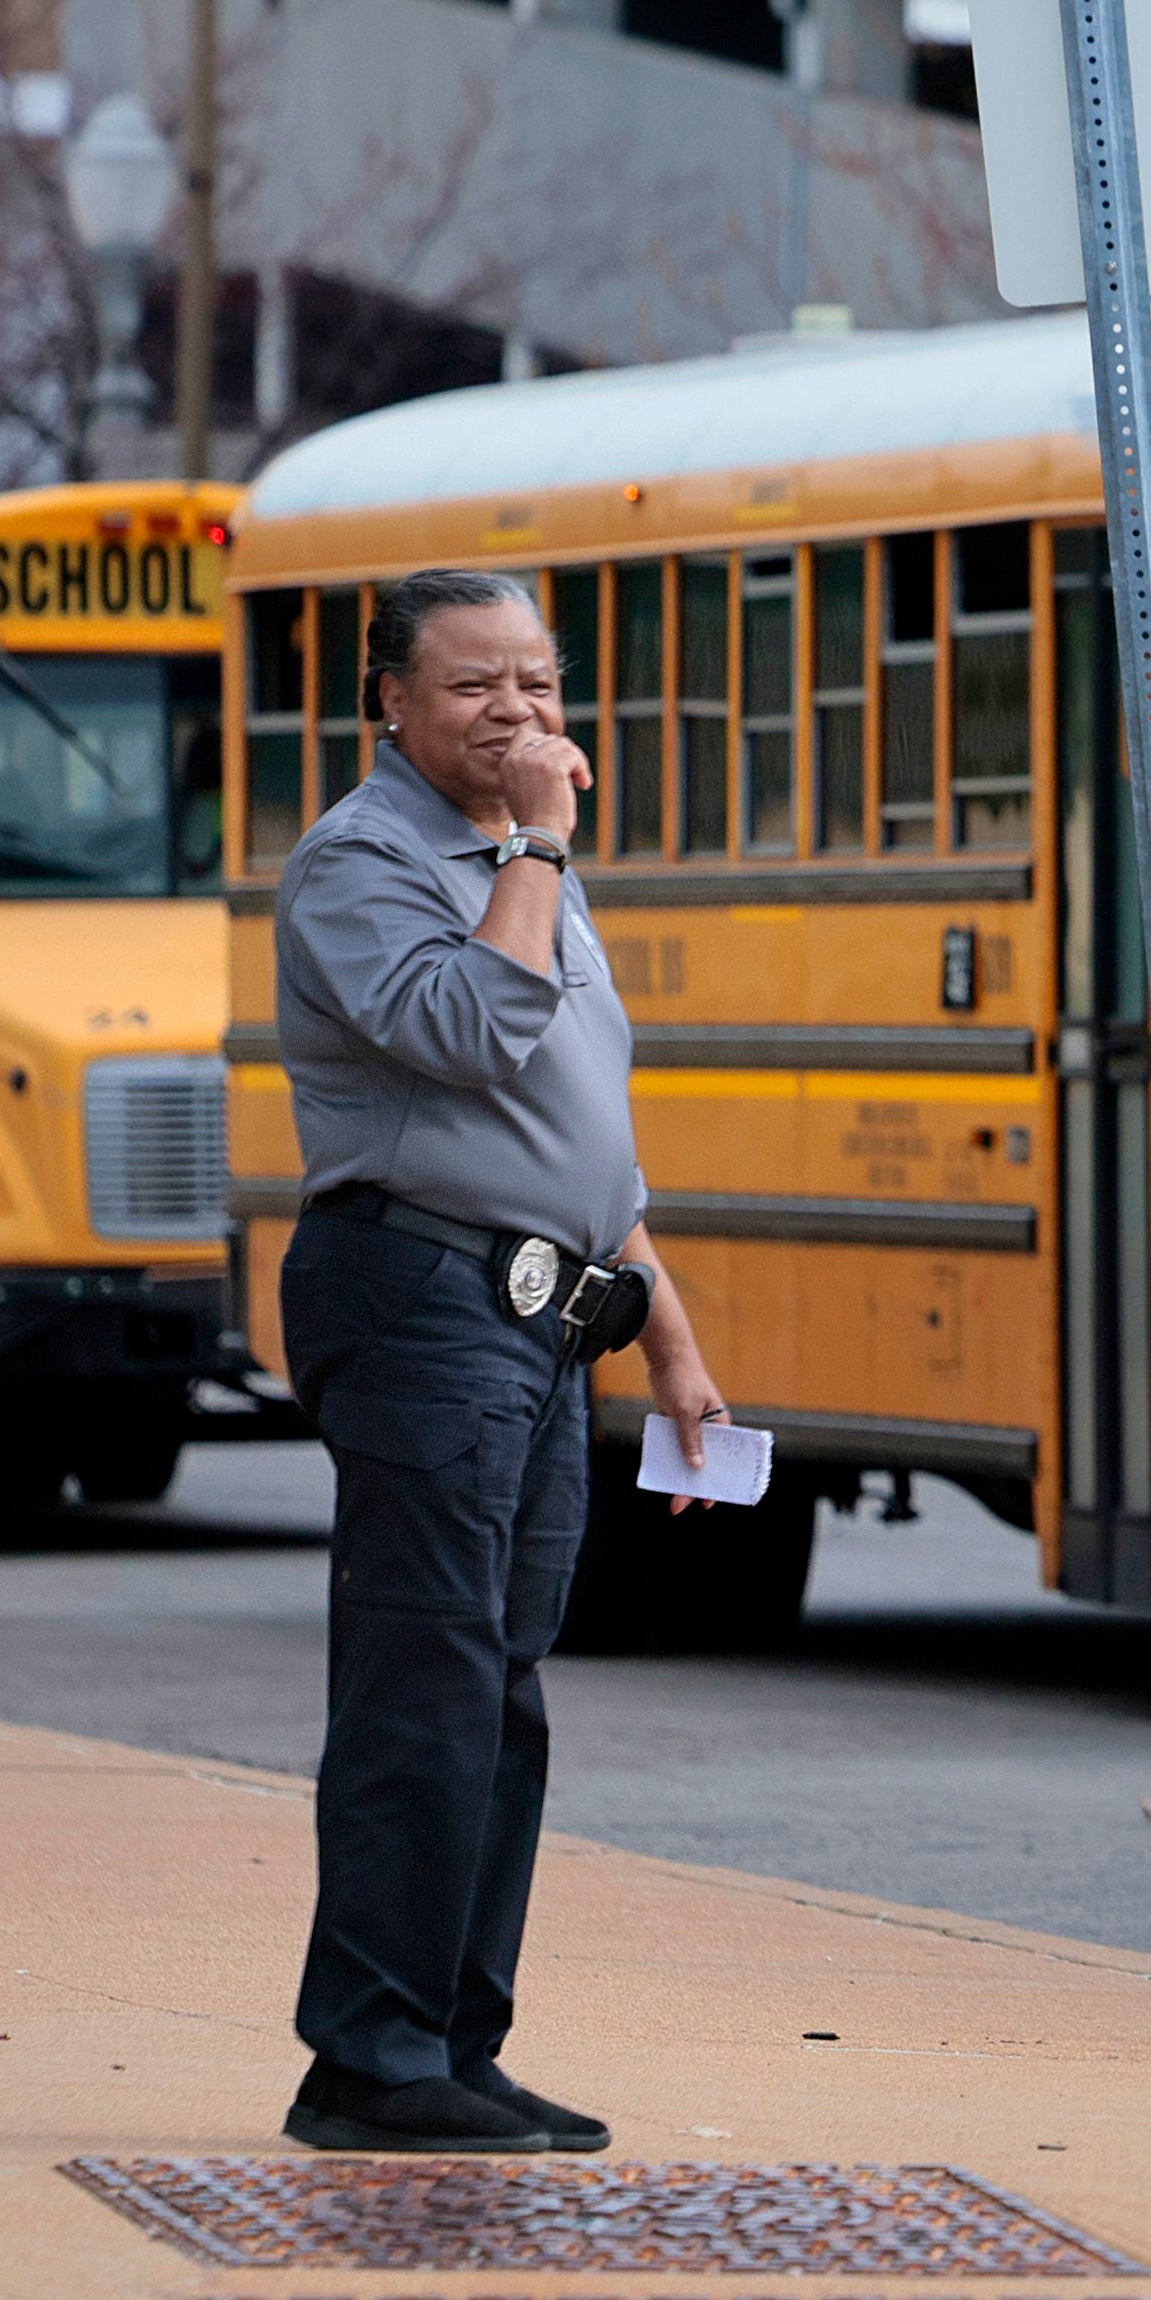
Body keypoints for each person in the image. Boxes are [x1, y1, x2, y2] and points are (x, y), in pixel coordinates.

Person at [269, 569, 730, 2154]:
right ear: (388, 705)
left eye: (537, 682)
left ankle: (456, 2041)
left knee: (502, 1687)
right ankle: (368, 2059)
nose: (520, 714)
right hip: (415, 1297)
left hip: (547, 1310)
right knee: (425, 1679)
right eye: (475, 687)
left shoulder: (529, 865)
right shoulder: (364, 859)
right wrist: (534, 842)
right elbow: (468, 1031)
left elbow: (581, 1131)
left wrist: (665, 1328)